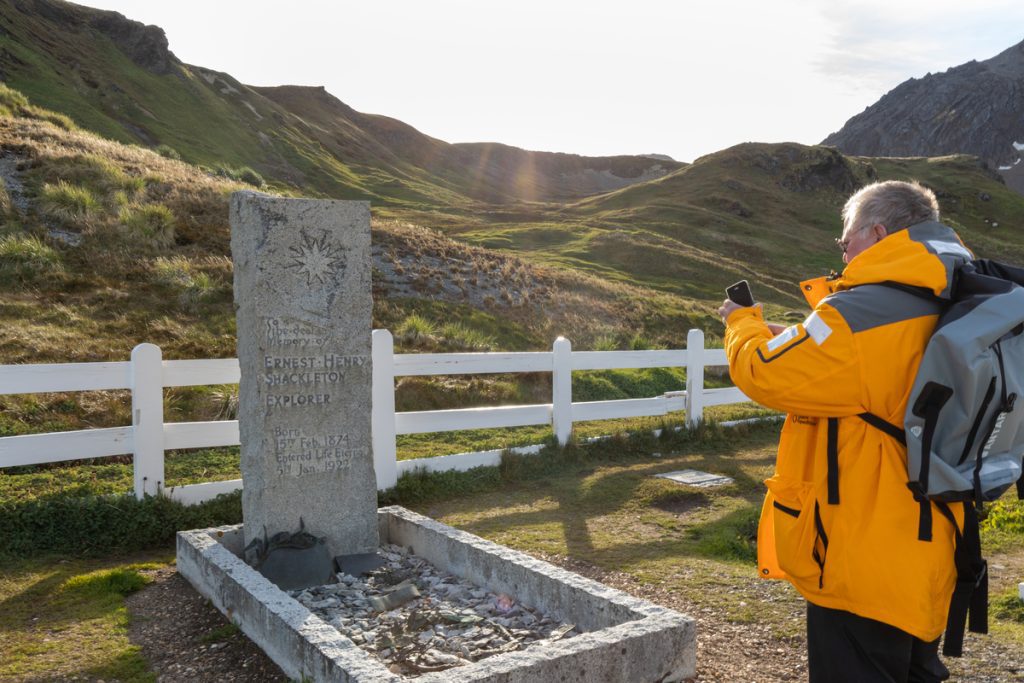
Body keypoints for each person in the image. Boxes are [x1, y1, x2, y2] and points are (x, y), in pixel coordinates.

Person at [718, 180, 974, 682]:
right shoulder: (953, 296)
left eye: (847, 240)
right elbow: (862, 367)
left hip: (863, 555)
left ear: (878, 233)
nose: (843, 252)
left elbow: (763, 374)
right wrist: (792, 337)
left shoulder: (862, 313)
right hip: (931, 541)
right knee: (913, 667)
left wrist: (743, 323)